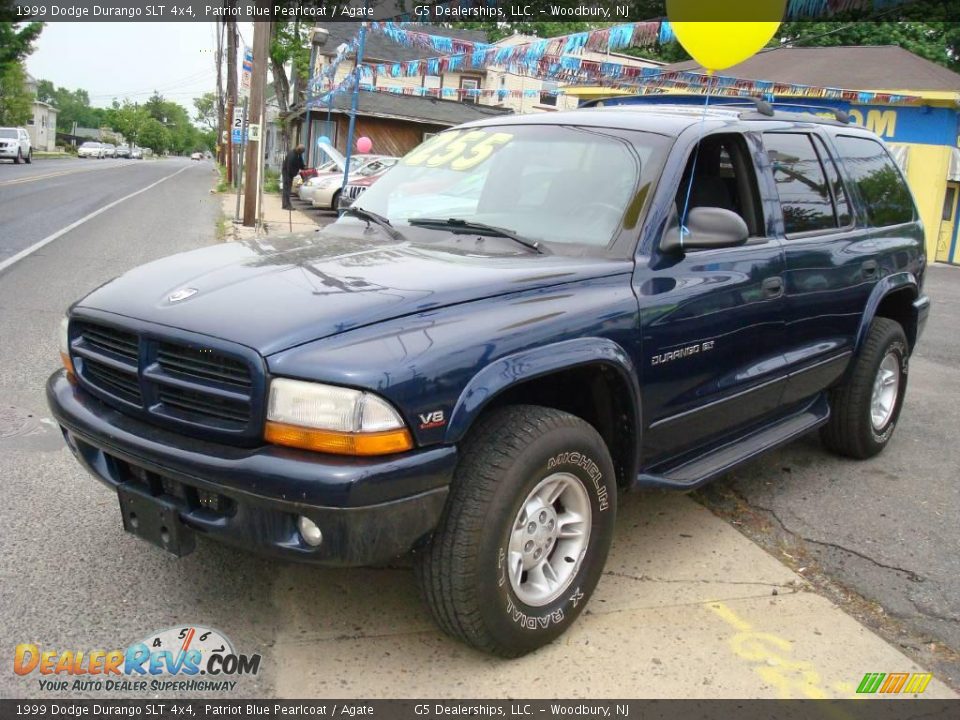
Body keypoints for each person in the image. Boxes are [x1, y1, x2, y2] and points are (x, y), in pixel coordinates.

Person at [281, 143, 306, 210]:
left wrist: (304, 167)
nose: (301, 154)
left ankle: (285, 205)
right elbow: (290, 168)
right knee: (287, 189)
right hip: (287, 173)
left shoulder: (298, 154)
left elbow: (300, 162)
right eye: (301, 152)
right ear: (298, 150)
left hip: (290, 173)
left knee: (288, 189)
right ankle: (286, 205)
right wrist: (293, 174)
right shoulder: (292, 155)